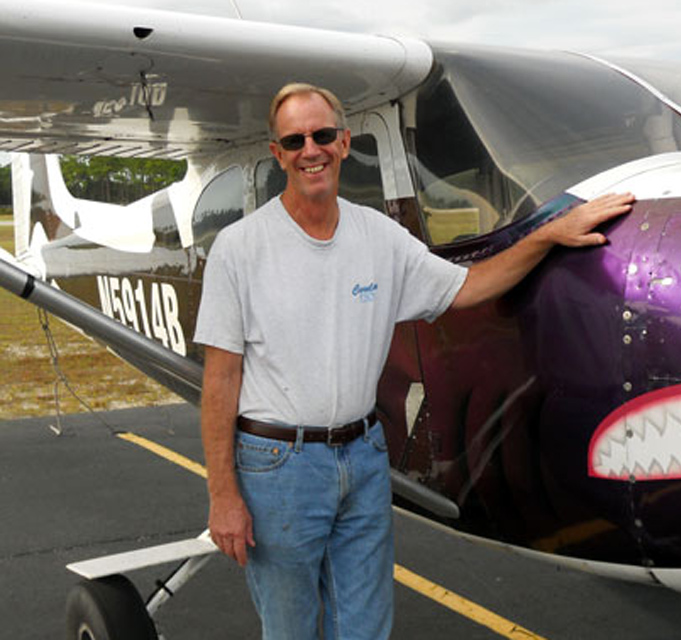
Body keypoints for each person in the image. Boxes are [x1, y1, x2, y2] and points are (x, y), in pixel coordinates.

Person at [194, 82, 634, 640]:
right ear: (278, 153)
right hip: (279, 464)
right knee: (290, 629)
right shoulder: (240, 248)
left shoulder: (378, 235)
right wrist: (223, 495)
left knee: (366, 626)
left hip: (363, 457)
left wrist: (547, 236)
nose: (312, 150)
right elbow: (221, 379)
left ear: (345, 142)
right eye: (296, 139)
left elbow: (469, 286)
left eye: (323, 135)